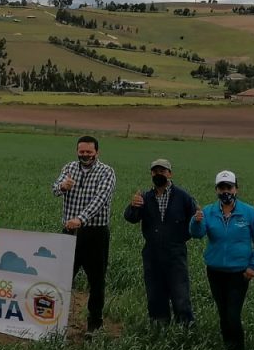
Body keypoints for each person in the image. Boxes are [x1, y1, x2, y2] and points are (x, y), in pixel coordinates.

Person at [189, 170, 254, 350]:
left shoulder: (248, 212)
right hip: (215, 271)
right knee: (223, 312)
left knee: (233, 313)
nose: (226, 191)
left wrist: (253, 265)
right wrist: (196, 221)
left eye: (229, 187)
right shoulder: (208, 212)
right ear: (216, 190)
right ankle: (228, 347)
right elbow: (197, 234)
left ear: (236, 189)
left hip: (240, 273)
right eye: (222, 188)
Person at [52, 135, 116, 333]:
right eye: (82, 152)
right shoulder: (69, 168)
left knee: (96, 281)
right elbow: (54, 189)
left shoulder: (106, 172)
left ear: (97, 152)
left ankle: (94, 325)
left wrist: (81, 218)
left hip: (95, 234)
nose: (85, 155)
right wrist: (62, 187)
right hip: (70, 233)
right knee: (63, 279)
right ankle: (56, 322)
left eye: (89, 152)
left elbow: (101, 199)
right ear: (77, 152)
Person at [124, 158, 197, 326]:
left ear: (170, 174)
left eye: (162, 171)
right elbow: (130, 218)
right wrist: (133, 206)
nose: (159, 174)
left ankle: (185, 328)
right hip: (152, 252)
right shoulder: (145, 197)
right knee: (155, 292)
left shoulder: (182, 196)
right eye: (155, 171)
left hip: (175, 252)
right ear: (151, 174)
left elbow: (194, 221)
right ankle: (159, 326)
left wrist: (181, 237)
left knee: (180, 293)